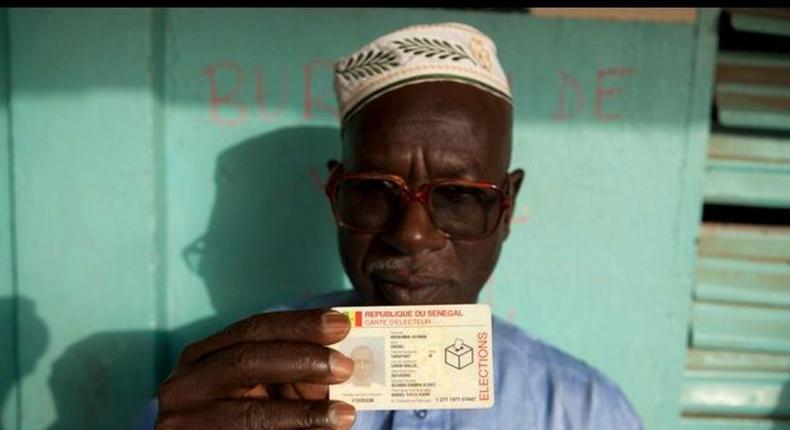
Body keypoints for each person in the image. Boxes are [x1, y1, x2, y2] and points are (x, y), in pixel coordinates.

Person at [149, 22, 644, 430]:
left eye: (458, 197)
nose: (412, 235)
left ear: (507, 209)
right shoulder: (231, 387)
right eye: (374, 192)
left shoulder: (586, 412)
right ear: (334, 195)